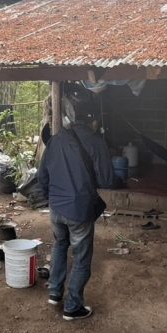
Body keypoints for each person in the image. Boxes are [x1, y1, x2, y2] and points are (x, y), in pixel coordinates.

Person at [38, 102, 114, 321]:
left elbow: (42, 177)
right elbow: (107, 180)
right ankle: (72, 306)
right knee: (81, 257)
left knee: (60, 245)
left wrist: (52, 197)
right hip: (79, 209)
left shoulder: (56, 140)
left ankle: (54, 292)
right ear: (92, 121)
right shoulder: (96, 142)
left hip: (56, 208)